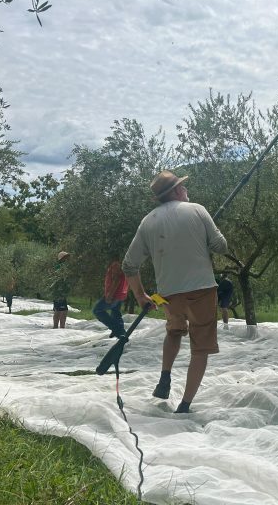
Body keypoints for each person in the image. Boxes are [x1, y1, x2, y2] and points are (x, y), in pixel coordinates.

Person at [123, 170, 227, 414]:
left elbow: (129, 265)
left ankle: (165, 377)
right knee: (200, 348)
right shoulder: (198, 210)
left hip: (168, 294)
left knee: (174, 332)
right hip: (202, 290)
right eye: (183, 186)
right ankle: (185, 405)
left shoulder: (147, 221)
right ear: (177, 191)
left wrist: (140, 296)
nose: (186, 190)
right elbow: (220, 246)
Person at [92, 259, 129, 338]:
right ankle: (121, 332)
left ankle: (117, 329)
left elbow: (116, 279)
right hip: (121, 294)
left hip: (114, 295)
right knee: (116, 312)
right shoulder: (124, 264)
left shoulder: (115, 263)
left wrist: (109, 295)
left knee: (97, 310)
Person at [51, 251, 72, 329]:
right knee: (62, 311)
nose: (68, 259)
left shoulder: (61, 266)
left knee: (59, 310)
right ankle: (59, 327)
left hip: (60, 292)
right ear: (62, 258)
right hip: (59, 292)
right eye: (66, 257)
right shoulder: (59, 267)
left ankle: (57, 327)